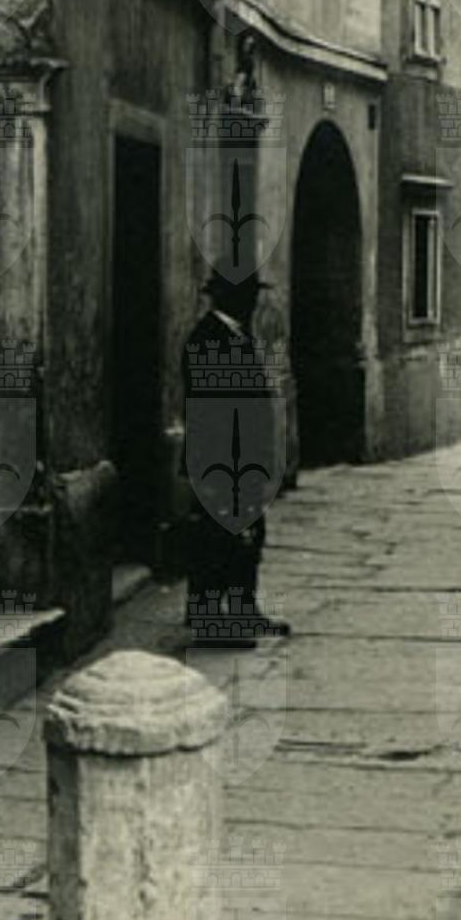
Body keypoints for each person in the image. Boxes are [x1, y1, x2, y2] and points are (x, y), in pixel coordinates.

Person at [180, 268, 290, 648]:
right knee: (217, 540)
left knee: (248, 537)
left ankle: (243, 609)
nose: (255, 302)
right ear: (229, 296)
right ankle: (210, 620)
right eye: (249, 294)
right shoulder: (208, 338)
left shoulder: (236, 334)